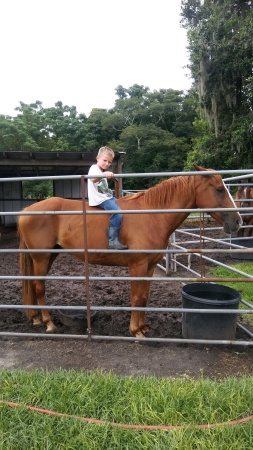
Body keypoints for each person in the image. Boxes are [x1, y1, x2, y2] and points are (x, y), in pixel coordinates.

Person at [87, 146, 128, 250]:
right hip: (100, 199)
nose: (106, 164)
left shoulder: (102, 170)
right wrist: (104, 174)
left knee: (124, 205)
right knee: (117, 212)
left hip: (106, 197)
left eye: (109, 162)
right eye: (104, 160)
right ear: (97, 158)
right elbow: (93, 179)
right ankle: (112, 241)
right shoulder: (94, 168)